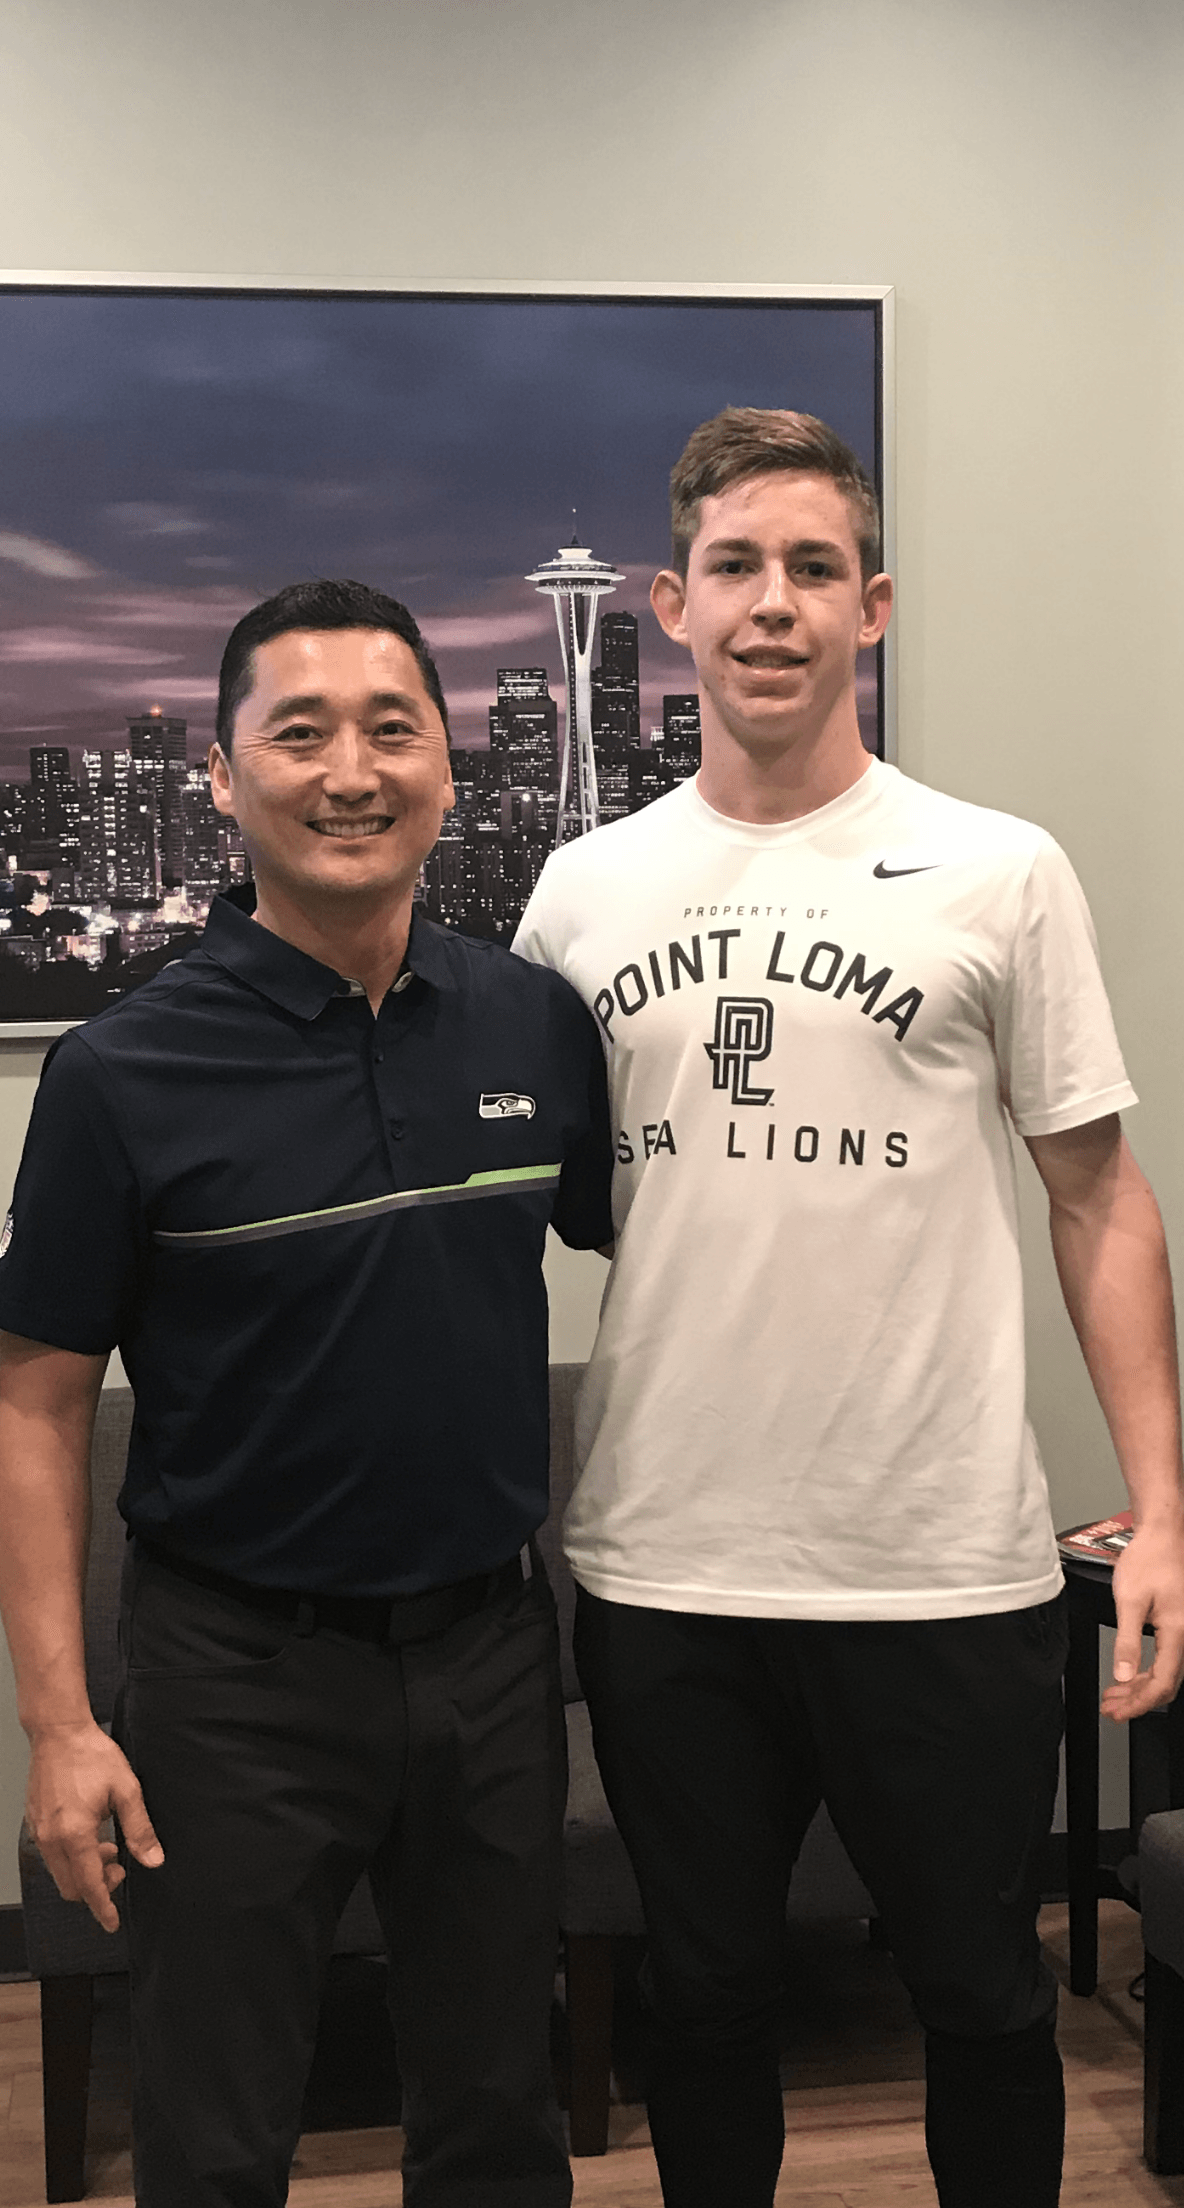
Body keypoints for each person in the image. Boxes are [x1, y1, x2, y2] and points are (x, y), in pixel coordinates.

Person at [512, 408, 1184, 2208]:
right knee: (711, 2002)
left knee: (977, 1999)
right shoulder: (579, 892)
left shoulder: (996, 868)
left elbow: (1097, 1197)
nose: (772, 604)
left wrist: (1164, 1511)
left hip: (938, 1563)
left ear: (870, 608)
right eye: (735, 567)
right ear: (669, 603)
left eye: (813, 569)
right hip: (665, 1565)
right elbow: (515, 1208)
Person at [0, 577, 614, 2208]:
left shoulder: (528, 1020)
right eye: (302, 732)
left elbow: (684, 1249)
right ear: (221, 771)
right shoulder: (120, 1072)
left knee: (495, 2117)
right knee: (216, 2129)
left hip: (487, 1656)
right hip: (233, 1679)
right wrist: (61, 1728)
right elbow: (41, 1412)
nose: (353, 770)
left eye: (393, 728)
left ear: (449, 770)